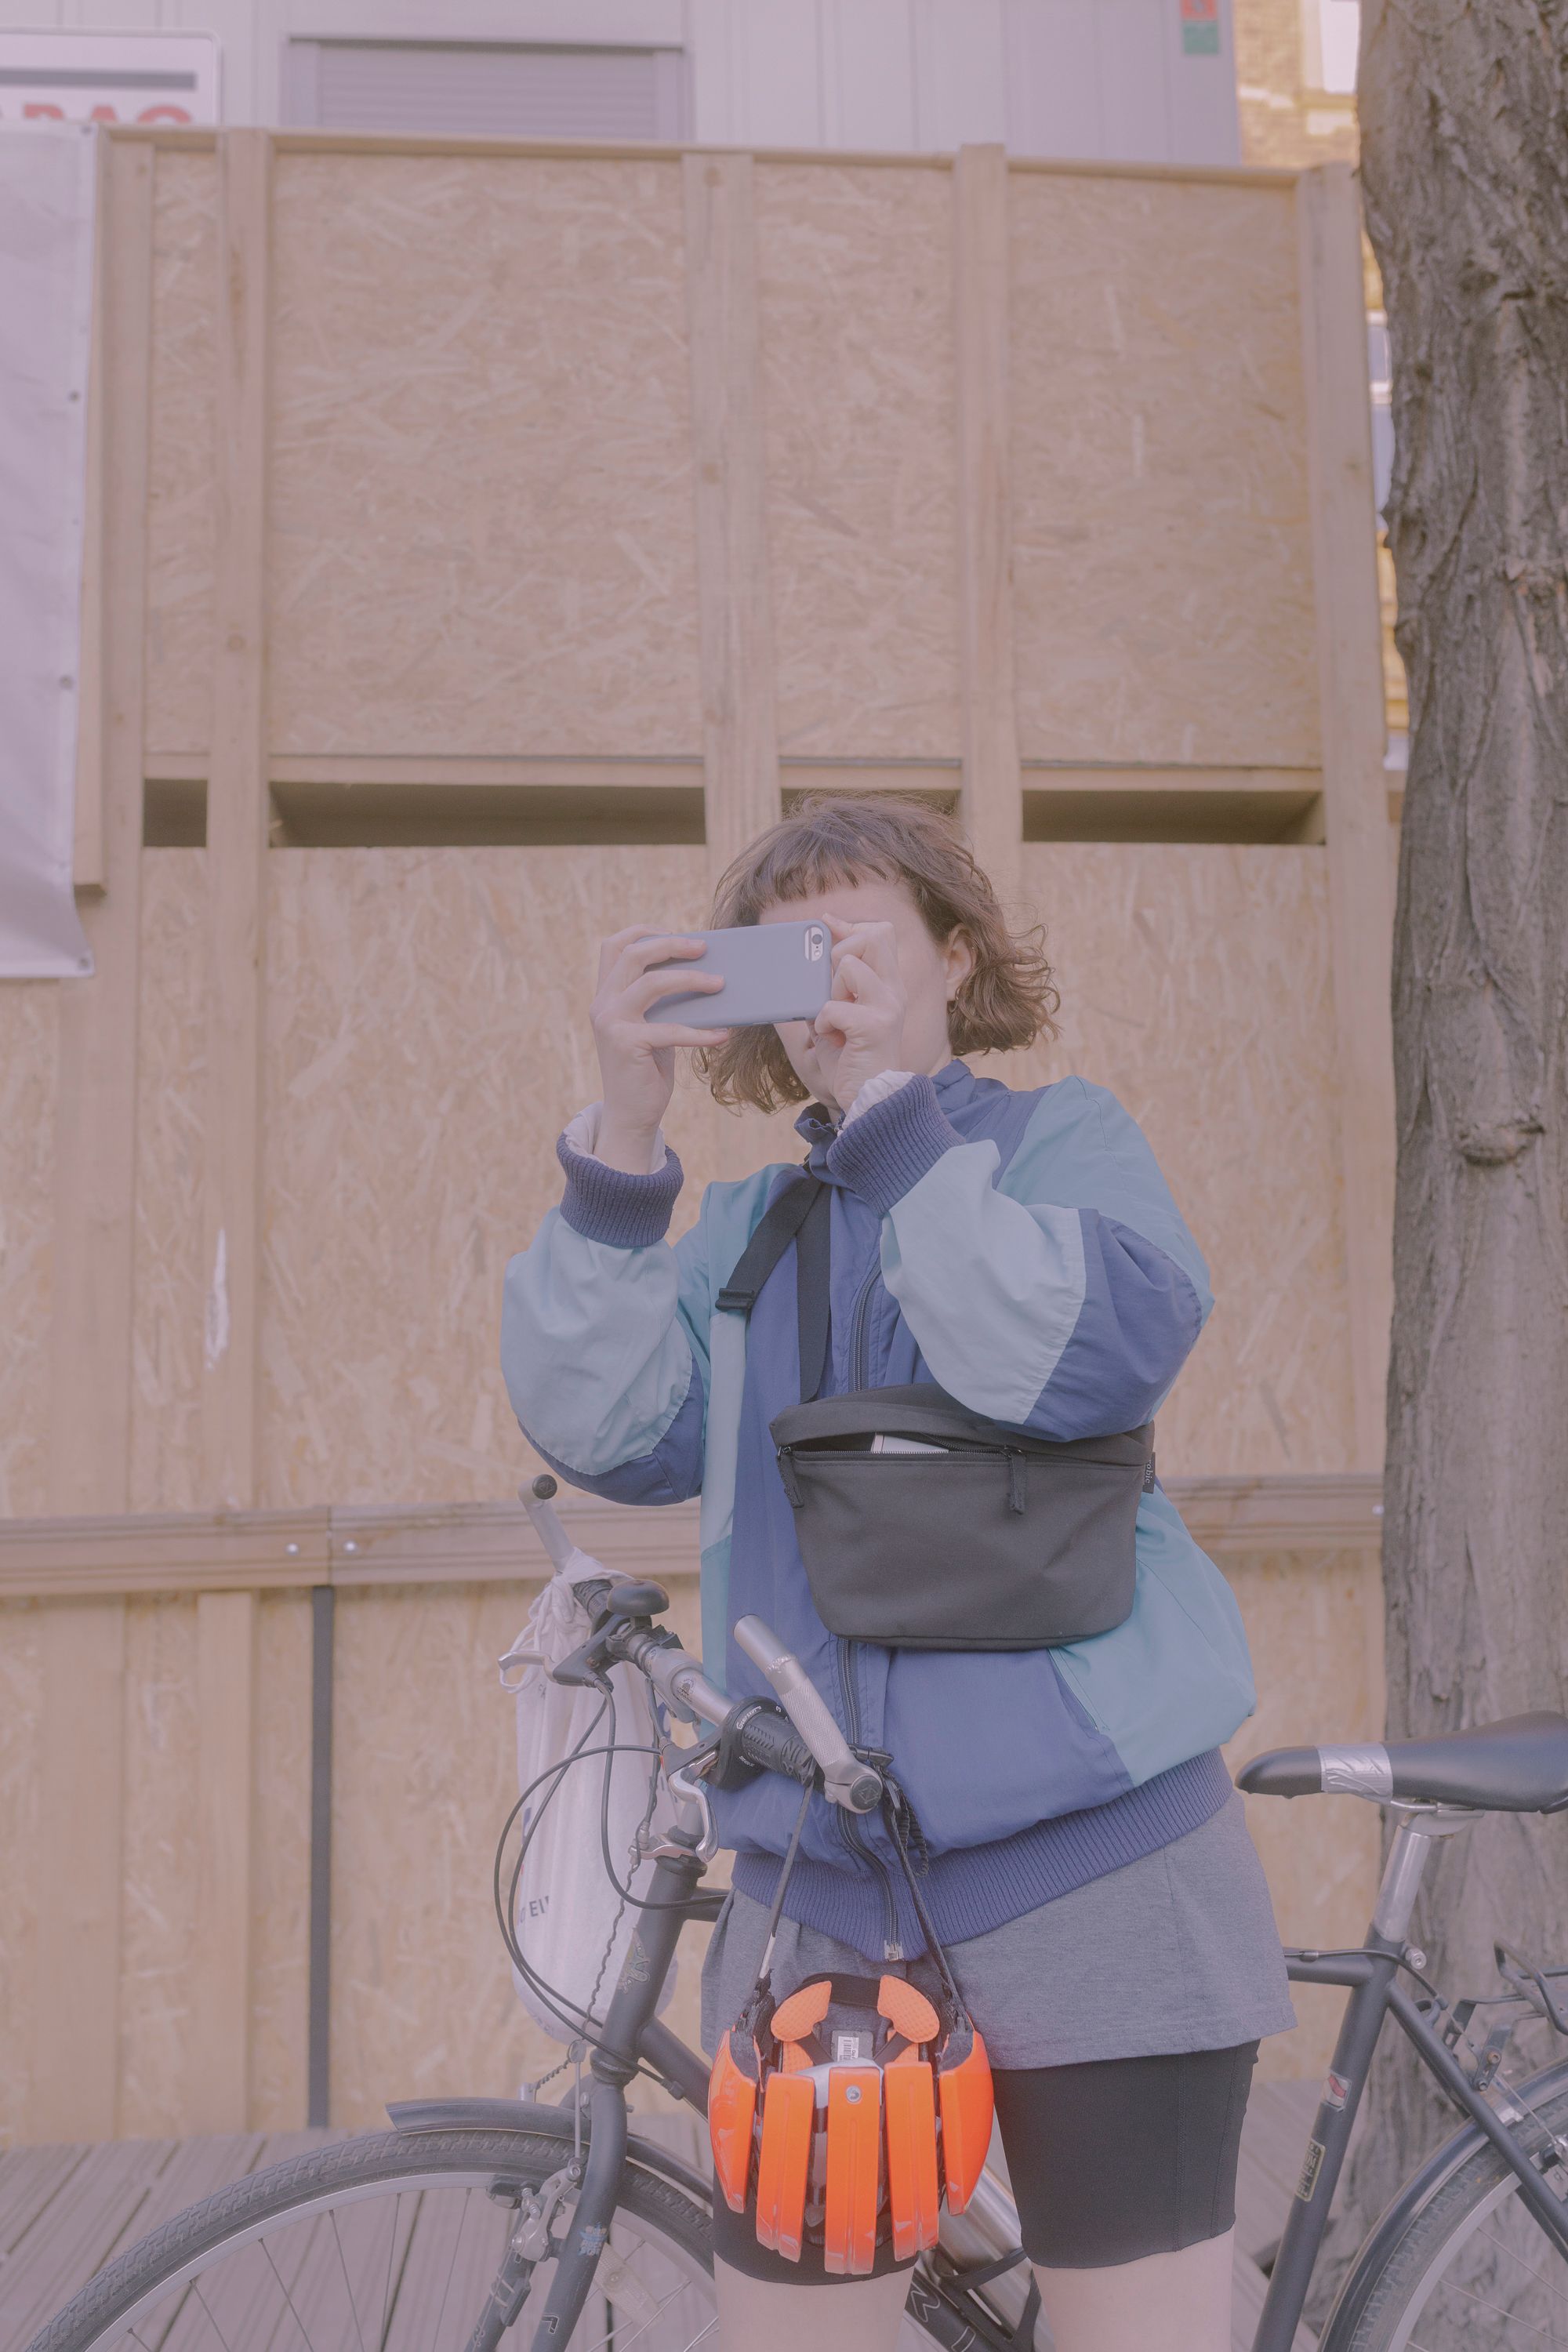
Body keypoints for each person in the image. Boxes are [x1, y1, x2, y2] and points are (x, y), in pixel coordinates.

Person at [501, 795, 1294, 2352]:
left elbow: (1071, 1359)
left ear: (957, 957)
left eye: (856, 941)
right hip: (819, 1895)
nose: (828, 986)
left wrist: (894, 1128)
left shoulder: (1064, 1144)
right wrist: (625, 1132)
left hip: (1101, 1871)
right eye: (788, 956)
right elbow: (605, 1427)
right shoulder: (748, 1227)